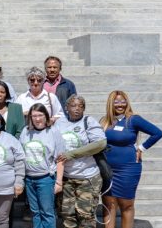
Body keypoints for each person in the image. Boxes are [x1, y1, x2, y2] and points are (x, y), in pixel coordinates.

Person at [100, 90, 162, 228]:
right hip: (107, 169)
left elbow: (157, 133)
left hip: (128, 169)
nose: (120, 104)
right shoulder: (105, 121)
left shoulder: (133, 119)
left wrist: (142, 148)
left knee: (126, 205)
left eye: (123, 101)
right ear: (111, 103)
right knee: (108, 204)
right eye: (116, 102)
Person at [55, 95, 106, 228]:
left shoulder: (88, 121)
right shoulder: (60, 122)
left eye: (81, 106)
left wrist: (72, 154)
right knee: (67, 216)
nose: (77, 109)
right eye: (73, 105)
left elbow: (100, 144)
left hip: (87, 178)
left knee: (86, 217)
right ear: (66, 108)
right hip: (66, 178)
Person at [19, 103, 66, 228]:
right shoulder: (26, 131)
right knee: (35, 213)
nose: (37, 119)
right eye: (34, 116)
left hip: (46, 179)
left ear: (46, 116)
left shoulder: (53, 131)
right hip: (29, 179)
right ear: (30, 117)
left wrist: (59, 182)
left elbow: (60, 158)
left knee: (47, 212)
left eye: (40, 115)